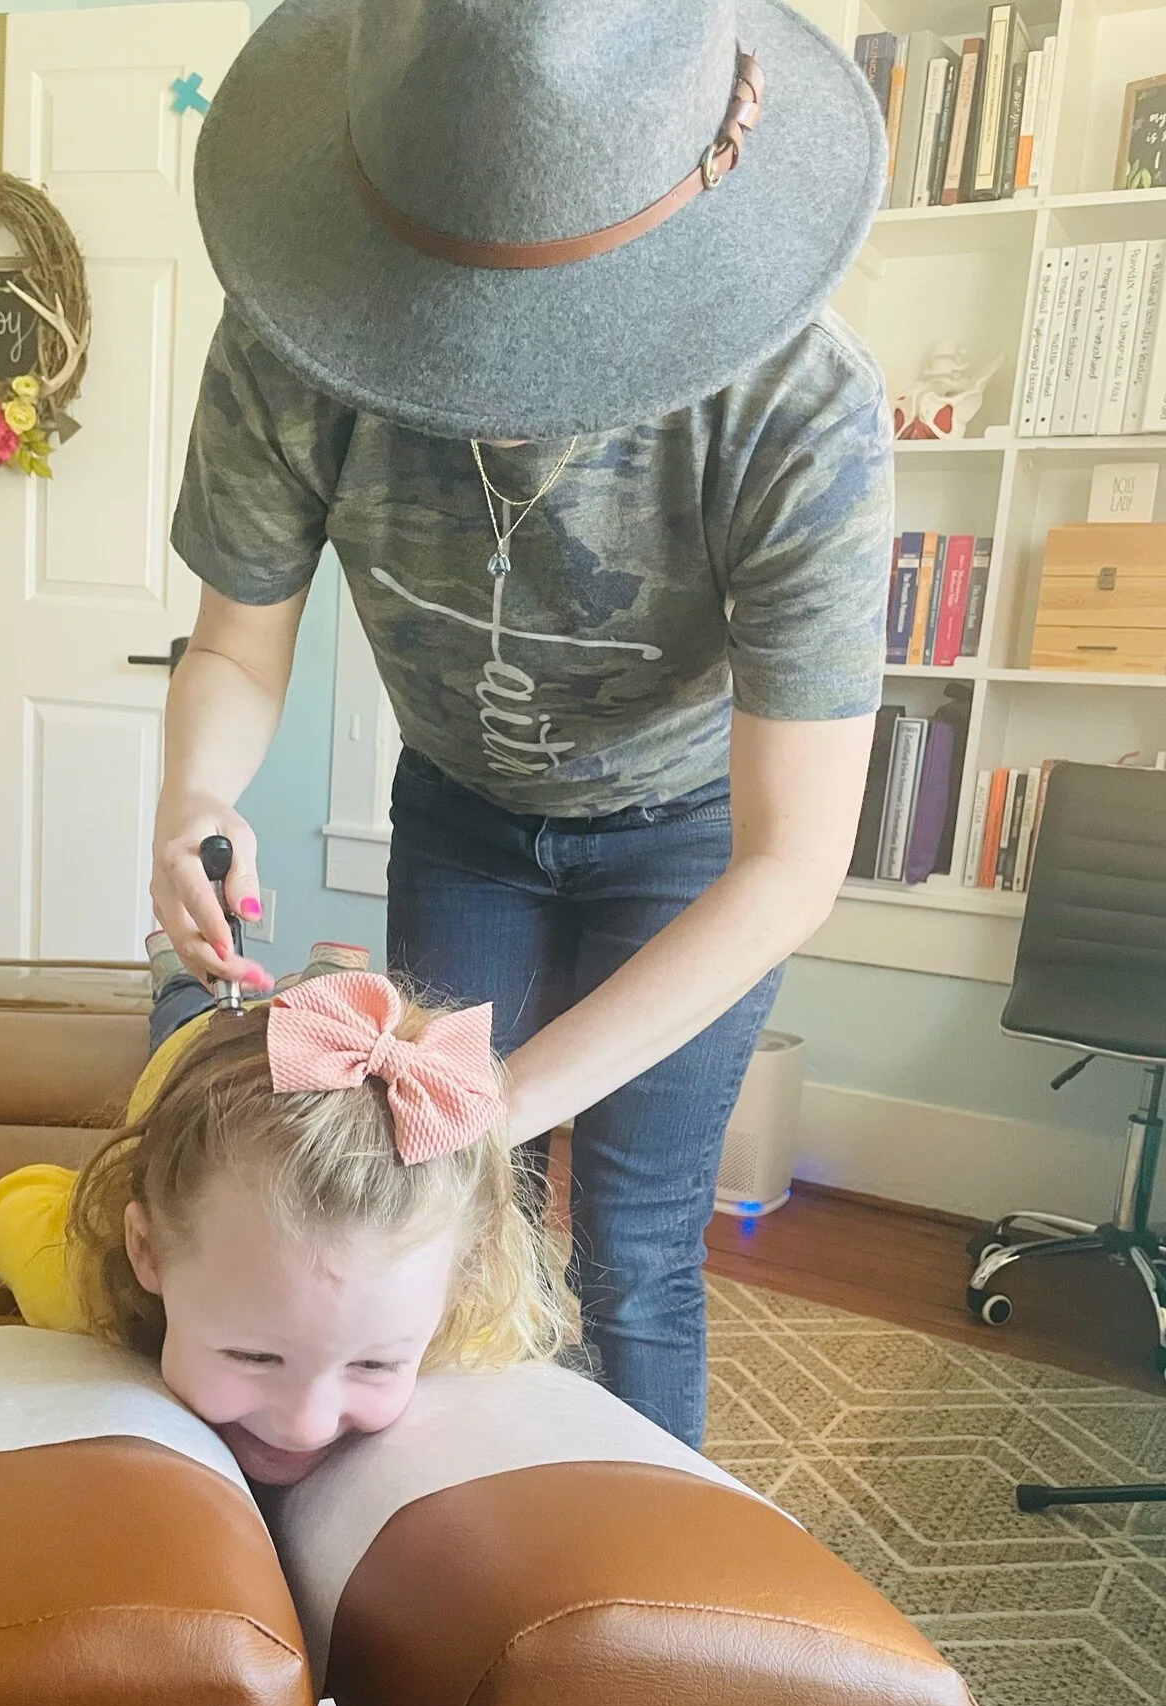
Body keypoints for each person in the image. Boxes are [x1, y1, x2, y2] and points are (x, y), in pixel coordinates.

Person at [149, 0, 896, 1449]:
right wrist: (196, 795)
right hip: (459, 811)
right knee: (453, 1221)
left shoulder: (802, 412)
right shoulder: (288, 348)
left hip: (695, 846)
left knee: (632, 1241)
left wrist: (498, 1088)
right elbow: (237, 640)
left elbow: (792, 859)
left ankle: (620, 1604)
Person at [0, 954, 578, 1487]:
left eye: (374, 1364)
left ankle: (330, 977)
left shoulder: (473, 1316)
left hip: (341, 1056)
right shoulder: (81, 1276)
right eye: (252, 1356)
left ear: (461, 1287)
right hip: (203, 1045)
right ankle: (173, 967)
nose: (305, 1425)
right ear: (147, 1251)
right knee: (187, 1006)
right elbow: (11, 1199)